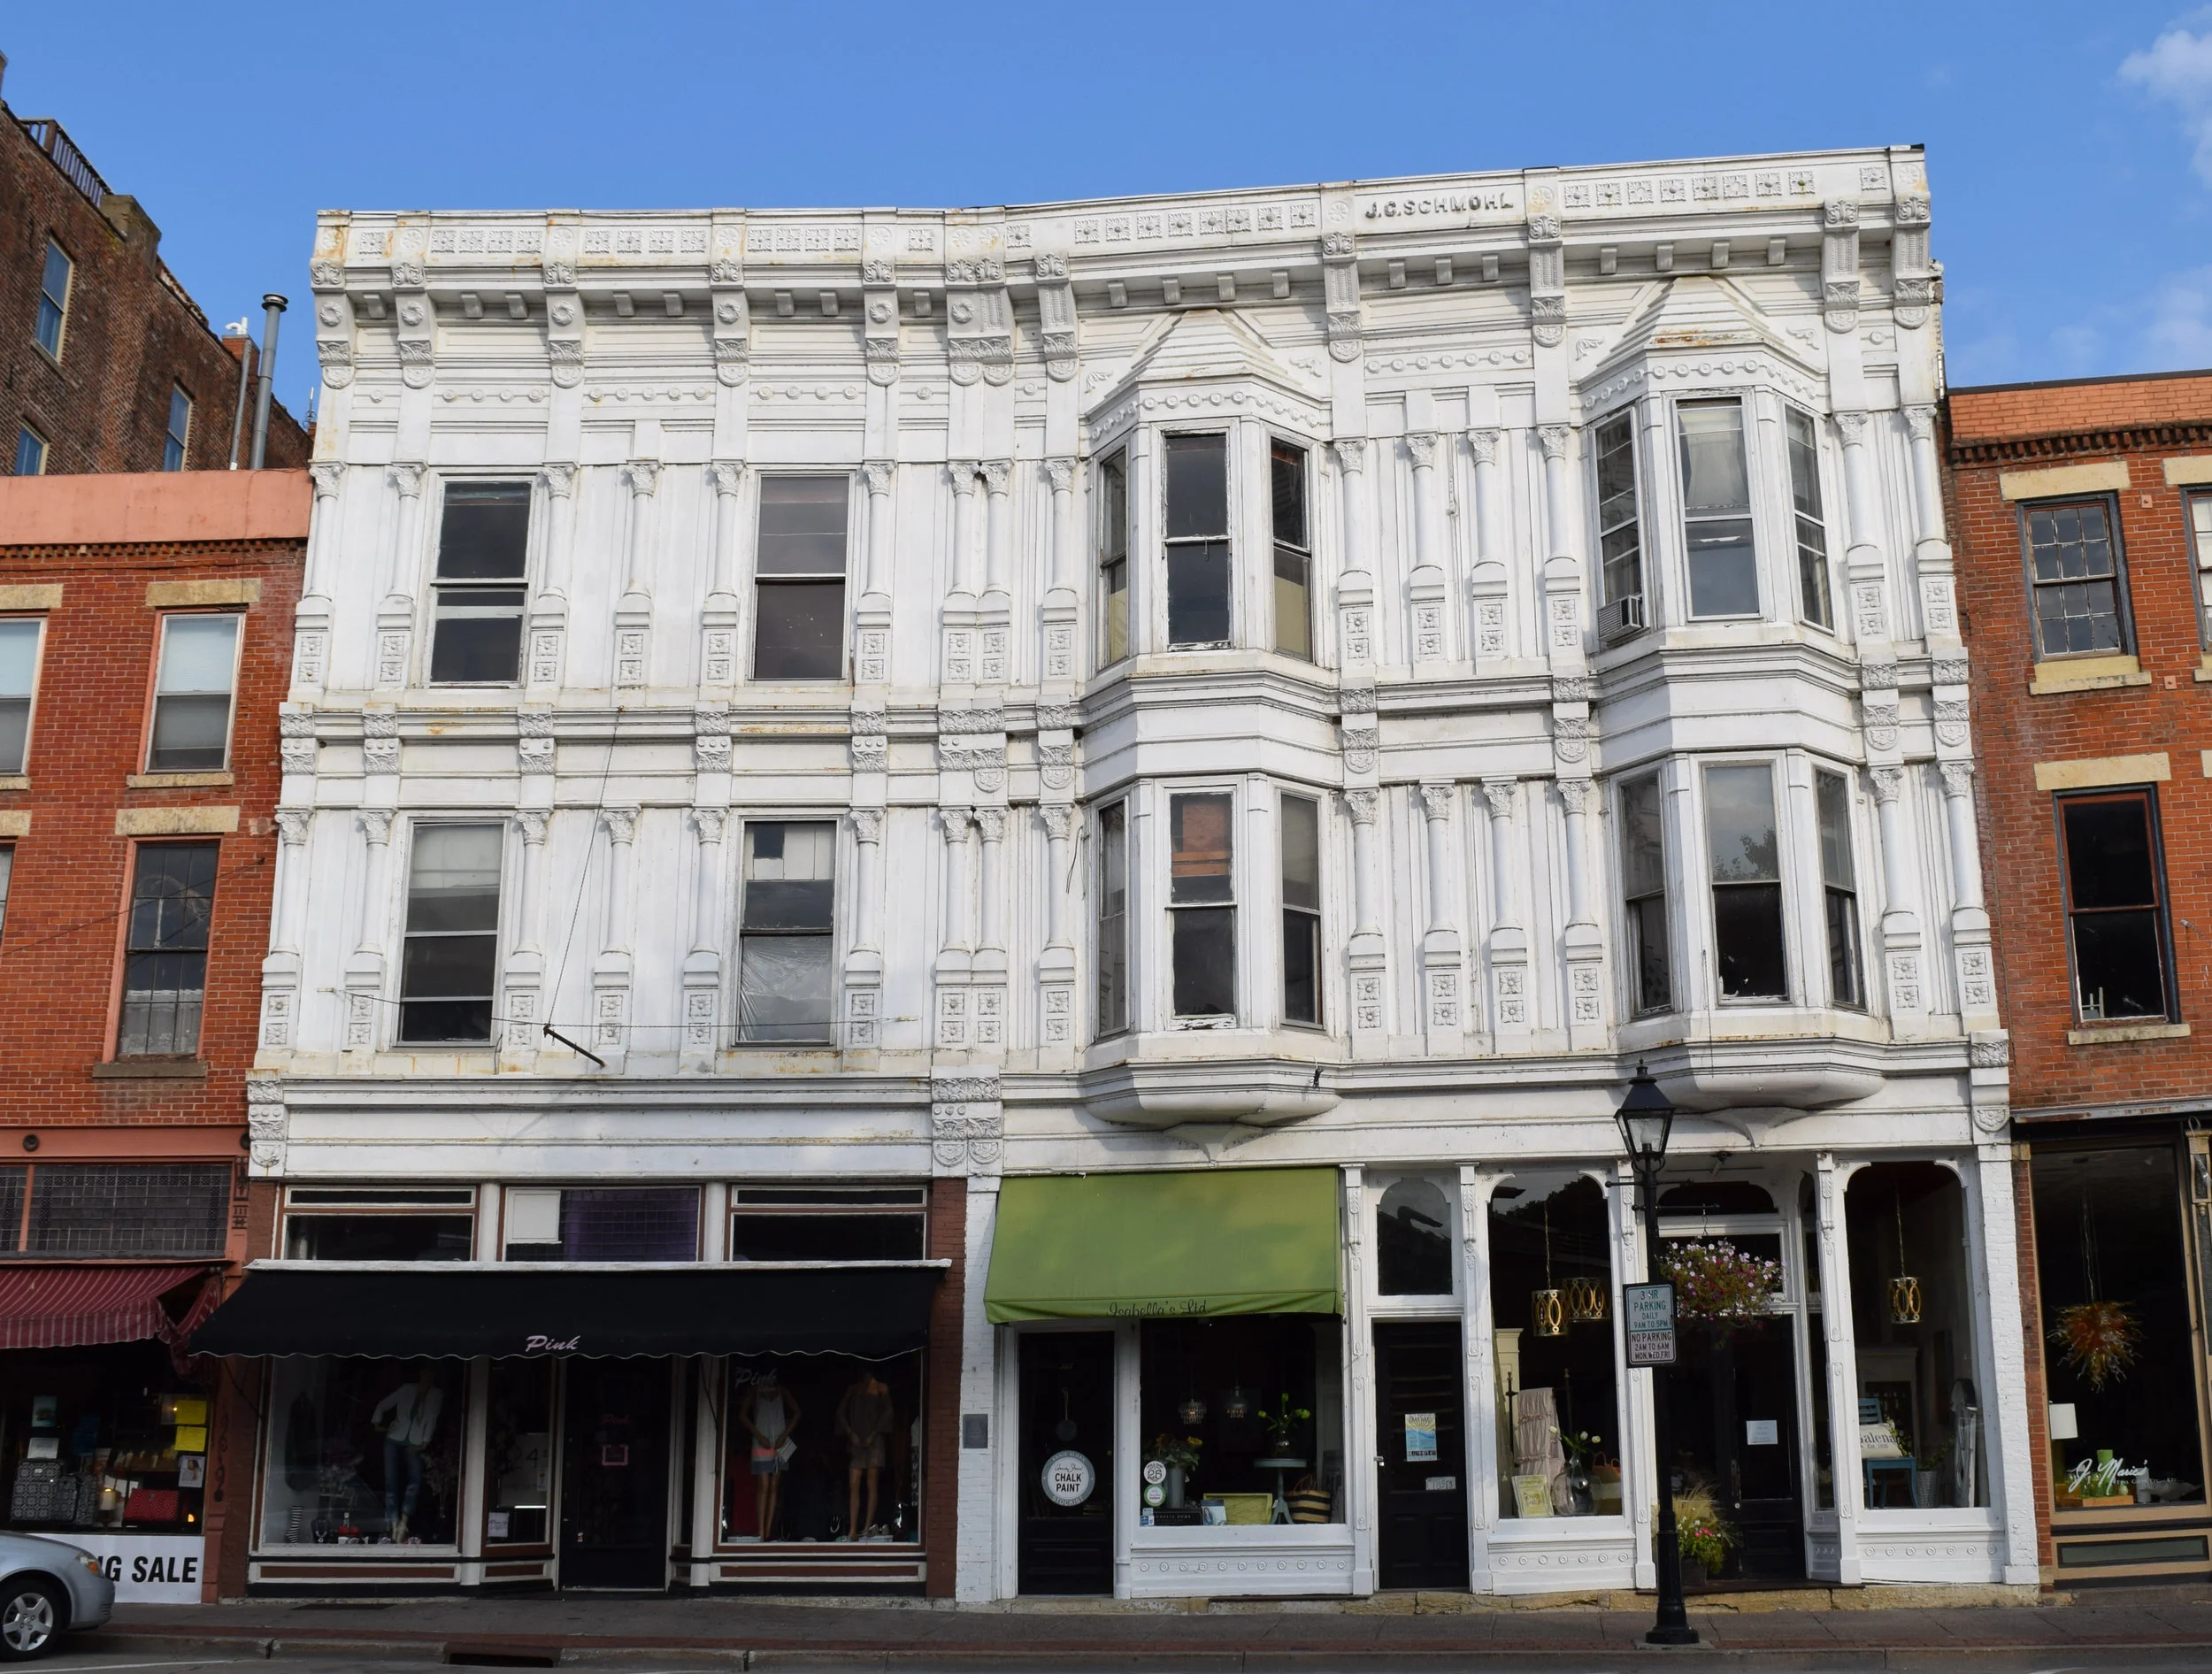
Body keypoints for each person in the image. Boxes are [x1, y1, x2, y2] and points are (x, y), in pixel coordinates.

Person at [370, 1363, 443, 1542]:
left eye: (430, 1375)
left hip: (415, 1442)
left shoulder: (436, 1395)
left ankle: (404, 1520)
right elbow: (383, 1404)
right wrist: (377, 1423)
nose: (427, 1378)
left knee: (415, 1480)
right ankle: (393, 1523)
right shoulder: (407, 1389)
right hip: (395, 1438)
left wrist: (425, 1442)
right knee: (391, 1481)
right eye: (425, 1373)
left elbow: (432, 1418)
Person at [741, 1370, 801, 1540]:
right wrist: (758, 1434)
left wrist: (785, 1434)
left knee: (774, 1486)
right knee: (763, 1486)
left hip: (779, 1443)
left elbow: (797, 1413)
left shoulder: (782, 1391)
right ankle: (761, 1530)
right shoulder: (755, 1391)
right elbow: (743, 1415)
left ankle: (767, 1531)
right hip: (762, 1441)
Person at [835, 1371, 895, 1540]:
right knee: (854, 1483)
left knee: (871, 1484)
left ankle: (867, 1526)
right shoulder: (853, 1389)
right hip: (857, 1440)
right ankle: (853, 1529)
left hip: (874, 1441)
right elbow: (841, 1412)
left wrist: (874, 1434)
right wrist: (849, 1432)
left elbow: (888, 1412)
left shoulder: (881, 1388)